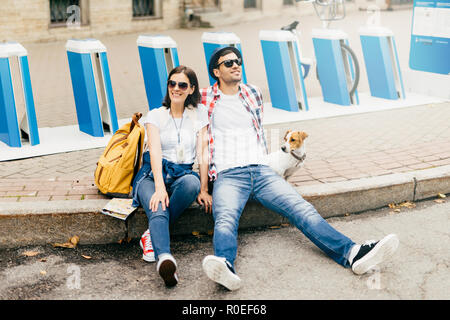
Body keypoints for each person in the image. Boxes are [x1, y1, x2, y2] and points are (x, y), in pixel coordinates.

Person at [200, 46, 399, 291]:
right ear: (215, 71)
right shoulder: (204, 98)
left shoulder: (252, 92)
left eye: (238, 60)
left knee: (302, 209)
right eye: (228, 62)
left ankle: (353, 253)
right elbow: (174, 103)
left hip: (262, 170)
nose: (235, 65)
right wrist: (201, 185)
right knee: (225, 218)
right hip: (229, 173)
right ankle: (225, 266)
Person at [132, 65, 212, 287]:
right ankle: (165, 259)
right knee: (158, 203)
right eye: (172, 84)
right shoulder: (156, 115)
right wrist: (159, 186)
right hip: (151, 173)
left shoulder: (199, 113)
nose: (176, 88)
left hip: (182, 173)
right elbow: (155, 151)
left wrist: (204, 189)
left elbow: (203, 152)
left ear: (191, 88)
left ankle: (150, 235)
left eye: (182, 85)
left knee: (192, 183)